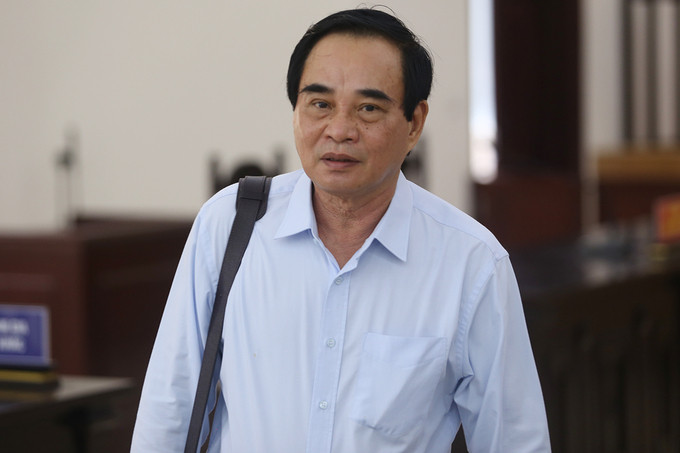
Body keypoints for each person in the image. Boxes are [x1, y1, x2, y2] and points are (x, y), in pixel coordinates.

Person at [131, 8, 551, 453]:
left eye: (368, 108)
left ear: (414, 123)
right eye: (320, 104)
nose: (339, 130)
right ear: (296, 111)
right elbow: (169, 408)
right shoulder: (231, 225)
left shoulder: (471, 262)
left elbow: (514, 441)